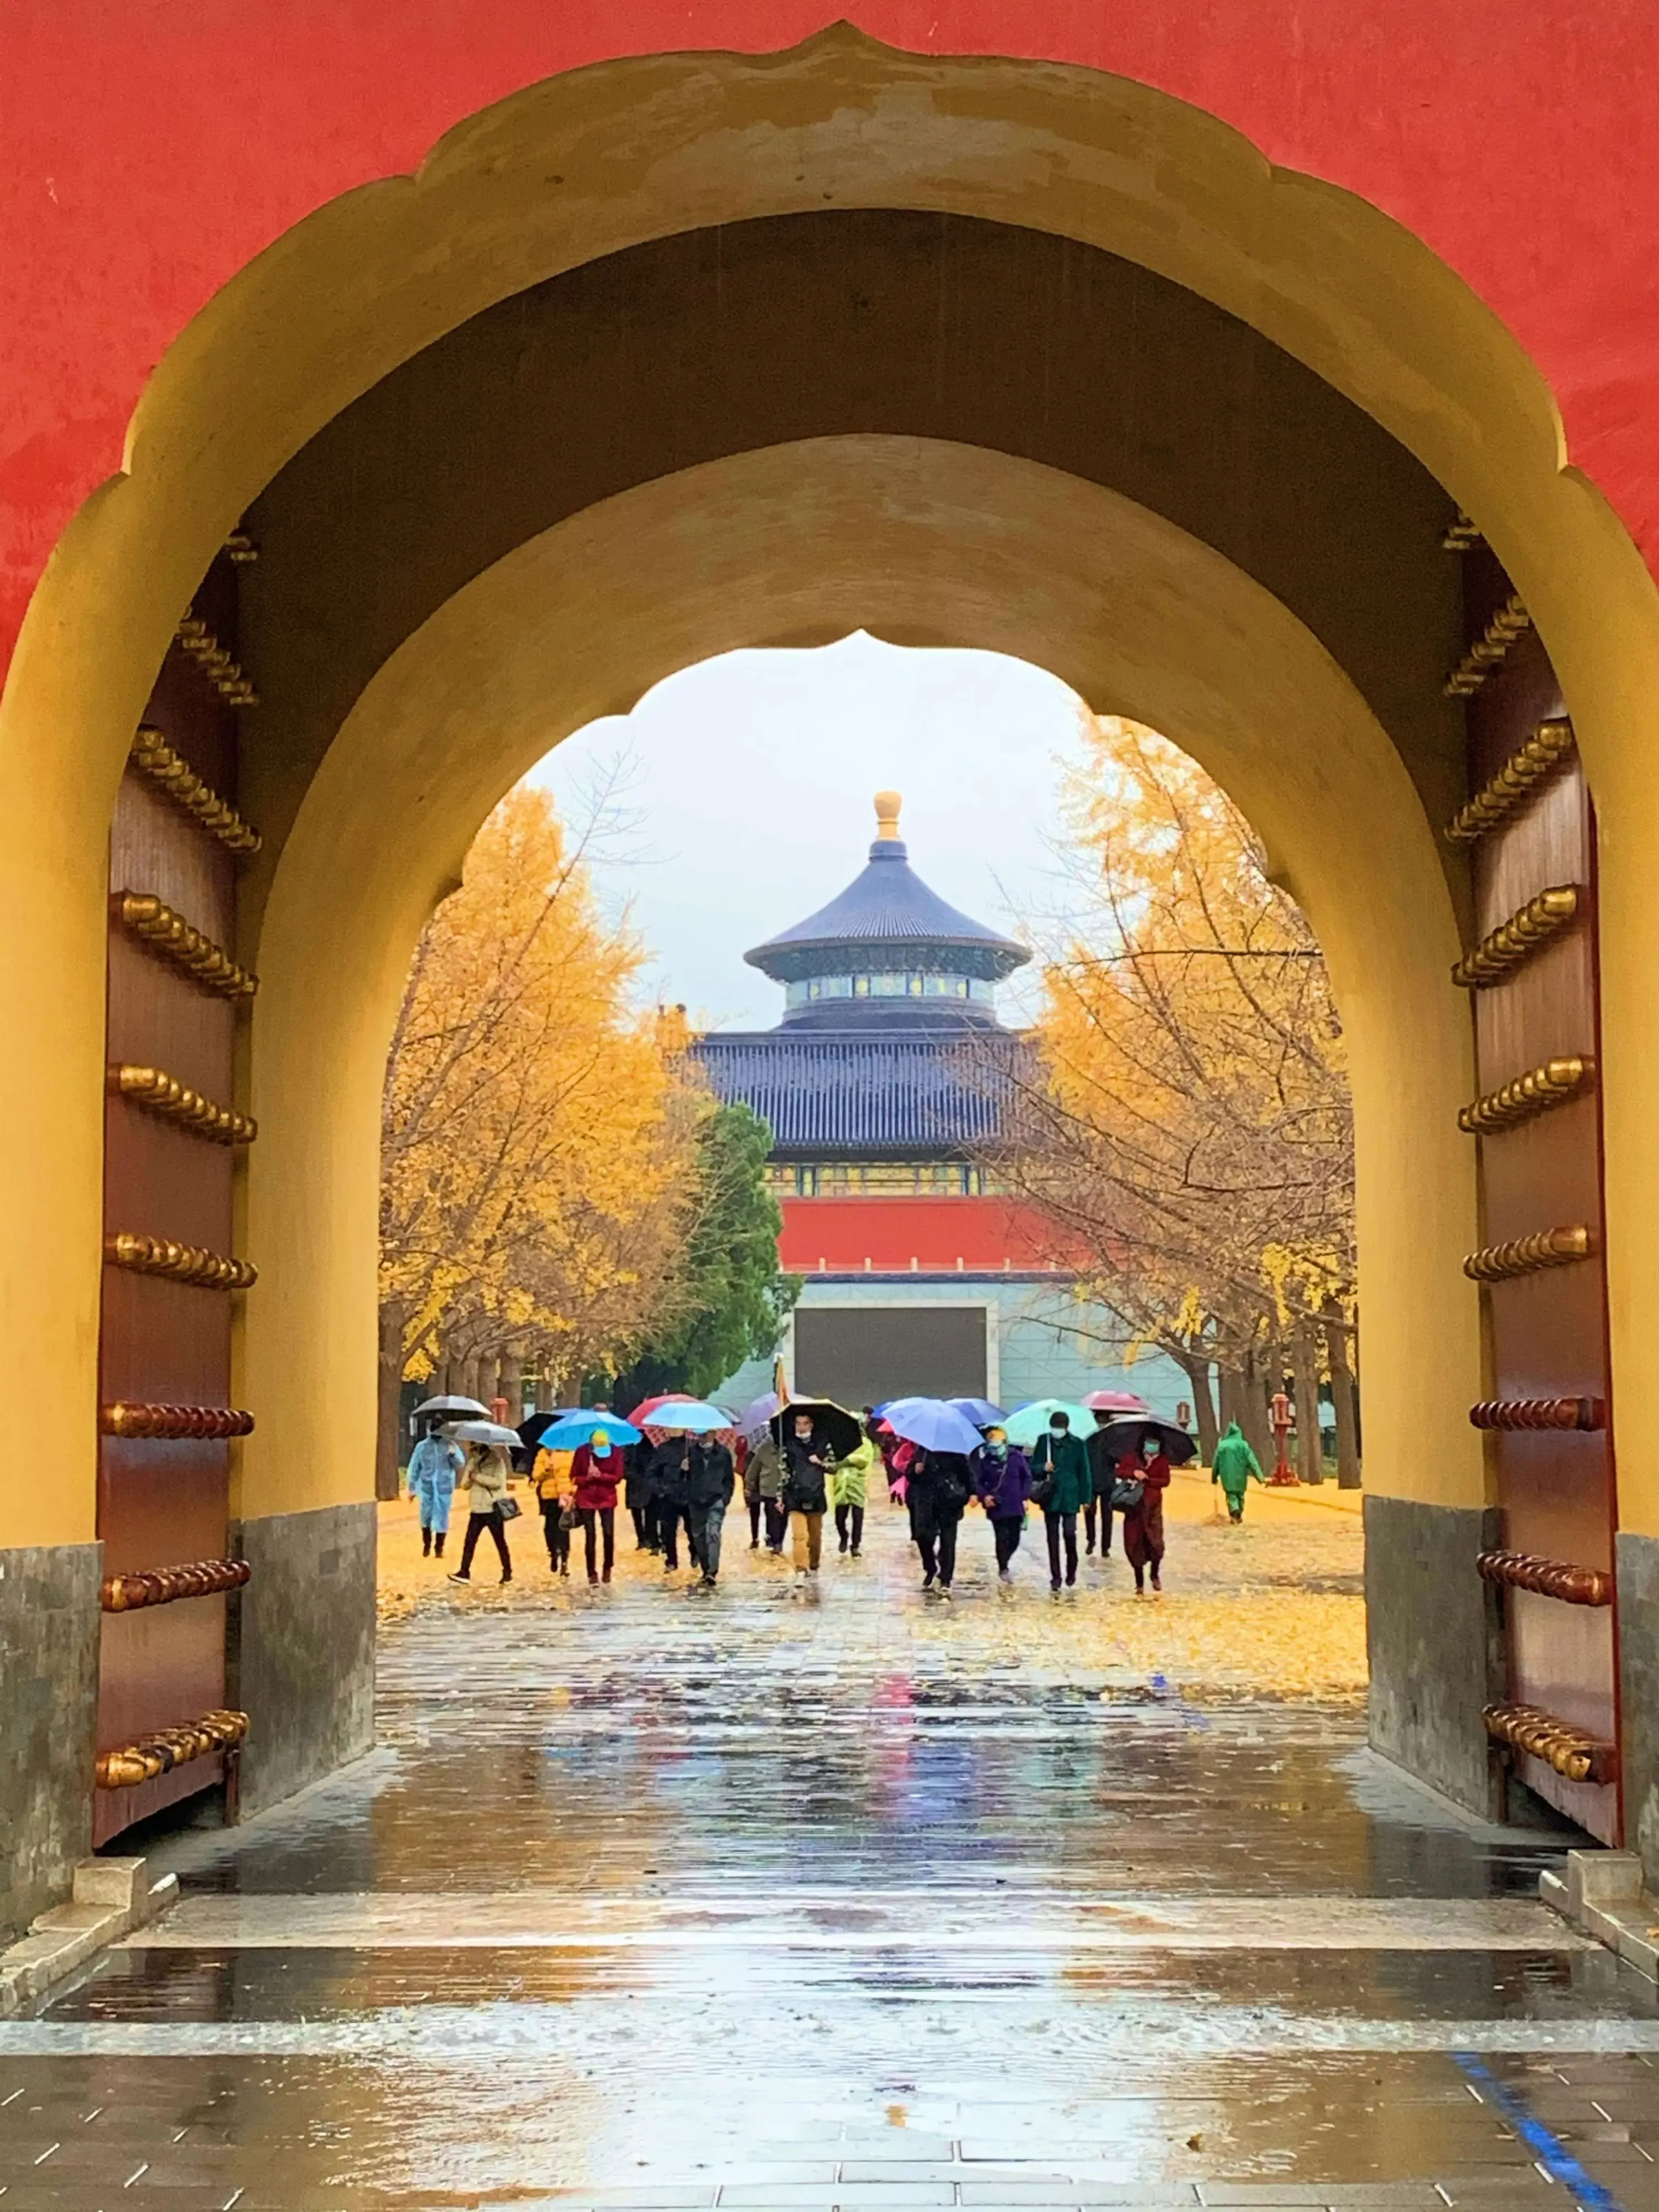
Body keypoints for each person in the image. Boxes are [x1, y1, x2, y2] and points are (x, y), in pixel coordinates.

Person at [1029, 1411, 1091, 1594]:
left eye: (1060, 1427)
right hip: (1050, 1496)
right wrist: (1042, 1467)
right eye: (1055, 1426)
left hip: (1070, 1495)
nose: (1057, 1430)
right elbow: (1033, 1467)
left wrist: (1086, 1498)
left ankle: (1072, 1569)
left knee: (1070, 1534)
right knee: (1052, 1538)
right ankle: (1056, 1577)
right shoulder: (1043, 1441)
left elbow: (1084, 1471)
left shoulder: (1078, 1444)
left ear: (1066, 1427)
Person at [907, 1446, 972, 1598]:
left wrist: (971, 1494)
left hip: (949, 1503)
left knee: (948, 1542)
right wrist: (915, 1470)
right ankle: (930, 1568)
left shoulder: (956, 1453)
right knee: (923, 1536)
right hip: (926, 1503)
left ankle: (946, 1579)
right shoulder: (923, 1450)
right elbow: (910, 1474)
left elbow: (967, 1476)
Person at [448, 1440, 513, 1584]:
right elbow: (464, 1485)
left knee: (500, 1541)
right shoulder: (472, 1462)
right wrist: (470, 1475)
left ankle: (507, 1571)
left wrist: (478, 1477)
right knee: (470, 1542)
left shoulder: (497, 1462)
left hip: (492, 1508)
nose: (474, 1451)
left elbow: (498, 1483)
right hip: (477, 1508)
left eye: (476, 1448)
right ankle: (464, 1571)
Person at [977, 1425, 1032, 1580]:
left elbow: (1027, 1477)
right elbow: (979, 1482)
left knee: (1015, 1538)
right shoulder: (986, 1460)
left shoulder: (1016, 1457)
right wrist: (984, 1497)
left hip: (1015, 1505)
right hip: (996, 1505)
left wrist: (1024, 1495)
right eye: (992, 1439)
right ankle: (1003, 1567)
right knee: (1001, 1537)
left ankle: (1005, 1558)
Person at [1123, 1434, 1172, 1595]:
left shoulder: (1162, 1461)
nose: (1152, 1447)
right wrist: (1134, 1473)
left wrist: (1149, 1479)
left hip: (1153, 1510)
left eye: (1155, 1443)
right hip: (1134, 1509)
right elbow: (1119, 1471)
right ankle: (1139, 1583)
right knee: (1134, 1544)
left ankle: (1155, 1574)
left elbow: (1165, 1481)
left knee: (1156, 1543)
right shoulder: (1133, 1457)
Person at [571, 1427, 622, 1584]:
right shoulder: (582, 1452)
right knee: (590, 1535)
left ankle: (608, 1567)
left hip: (607, 1498)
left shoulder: (615, 1452)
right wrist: (586, 1477)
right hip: (586, 1498)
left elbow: (618, 1476)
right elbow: (574, 1476)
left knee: (608, 1533)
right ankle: (591, 1572)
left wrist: (601, 1476)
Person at [781, 1411, 830, 1575]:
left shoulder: (822, 1444)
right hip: (795, 1495)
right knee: (799, 1535)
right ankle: (801, 1567)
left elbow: (834, 1467)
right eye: (798, 1423)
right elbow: (783, 1471)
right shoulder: (789, 1445)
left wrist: (821, 1462)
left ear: (811, 1425)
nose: (801, 1427)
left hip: (816, 1496)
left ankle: (814, 1562)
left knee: (815, 1537)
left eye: (804, 1423)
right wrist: (780, 1496)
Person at [686, 1433, 735, 1589]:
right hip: (696, 1500)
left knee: (713, 1533)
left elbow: (729, 1478)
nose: (703, 1436)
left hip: (716, 1499)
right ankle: (705, 1568)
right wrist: (683, 1470)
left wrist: (725, 1498)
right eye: (700, 1434)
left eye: (706, 1433)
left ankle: (712, 1572)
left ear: (714, 1433)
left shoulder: (723, 1453)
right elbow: (684, 1479)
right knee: (698, 1536)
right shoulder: (691, 1452)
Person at [407, 1420, 462, 1559]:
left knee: (442, 1517)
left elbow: (460, 1463)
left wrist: (452, 1454)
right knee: (426, 1517)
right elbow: (415, 1467)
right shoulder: (422, 1446)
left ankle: (439, 1548)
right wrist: (412, 1488)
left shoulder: (450, 1445)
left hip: (444, 1487)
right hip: (427, 1487)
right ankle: (427, 1545)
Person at [647, 1434, 700, 1572]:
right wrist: (662, 1490)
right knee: (668, 1530)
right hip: (669, 1496)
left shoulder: (694, 1448)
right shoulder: (663, 1449)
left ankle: (695, 1553)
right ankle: (671, 1561)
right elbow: (652, 1474)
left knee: (692, 1528)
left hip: (689, 1495)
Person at [531, 1438, 577, 1575]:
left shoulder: (571, 1454)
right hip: (548, 1495)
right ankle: (553, 1552)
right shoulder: (543, 1454)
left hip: (564, 1496)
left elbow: (575, 1473)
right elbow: (536, 1475)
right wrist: (546, 1469)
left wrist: (572, 1489)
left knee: (563, 1526)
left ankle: (565, 1558)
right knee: (549, 1527)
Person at [831, 1428, 876, 1557]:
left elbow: (864, 1459)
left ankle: (855, 1546)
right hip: (841, 1485)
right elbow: (832, 1459)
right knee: (839, 1518)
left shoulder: (866, 1443)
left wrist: (846, 1461)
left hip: (858, 1485)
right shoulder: (839, 1442)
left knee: (858, 1518)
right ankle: (844, 1536)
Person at [1211, 1420, 1265, 1524]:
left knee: (1231, 1495)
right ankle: (1239, 1512)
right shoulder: (1244, 1445)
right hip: (1241, 1475)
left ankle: (1234, 1512)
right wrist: (1260, 1478)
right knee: (1240, 1495)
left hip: (1227, 1475)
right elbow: (1252, 1462)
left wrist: (1214, 1477)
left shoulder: (1222, 1446)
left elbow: (1216, 1463)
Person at [744, 1426, 786, 1552]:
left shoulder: (788, 1448)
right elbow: (753, 1469)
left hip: (785, 1488)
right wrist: (749, 1486)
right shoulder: (764, 1448)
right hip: (769, 1489)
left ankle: (778, 1539)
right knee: (772, 1515)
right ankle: (775, 1541)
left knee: (783, 1517)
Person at [1083, 1411, 1119, 1559]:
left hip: (1108, 1482)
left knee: (1107, 1516)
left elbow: (1118, 1459)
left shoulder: (1113, 1440)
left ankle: (1105, 1547)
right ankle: (1091, 1541)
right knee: (1089, 1513)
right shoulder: (1088, 1439)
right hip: (1091, 1482)